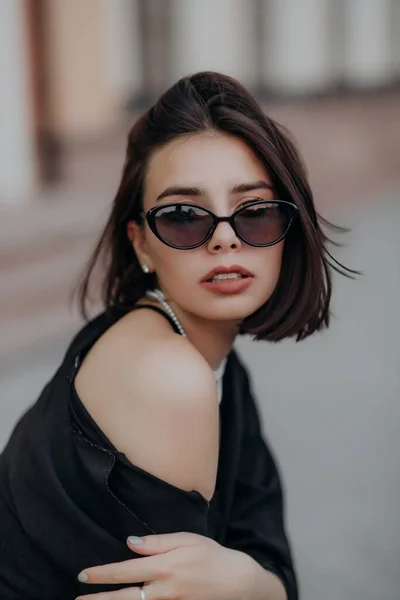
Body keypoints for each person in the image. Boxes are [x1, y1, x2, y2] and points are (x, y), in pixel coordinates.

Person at [0, 71, 355, 600]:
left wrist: (252, 584)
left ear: (288, 229)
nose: (226, 239)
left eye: (254, 213)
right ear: (141, 244)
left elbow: (259, 558)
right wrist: (257, 585)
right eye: (185, 216)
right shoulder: (166, 373)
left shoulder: (209, 358)